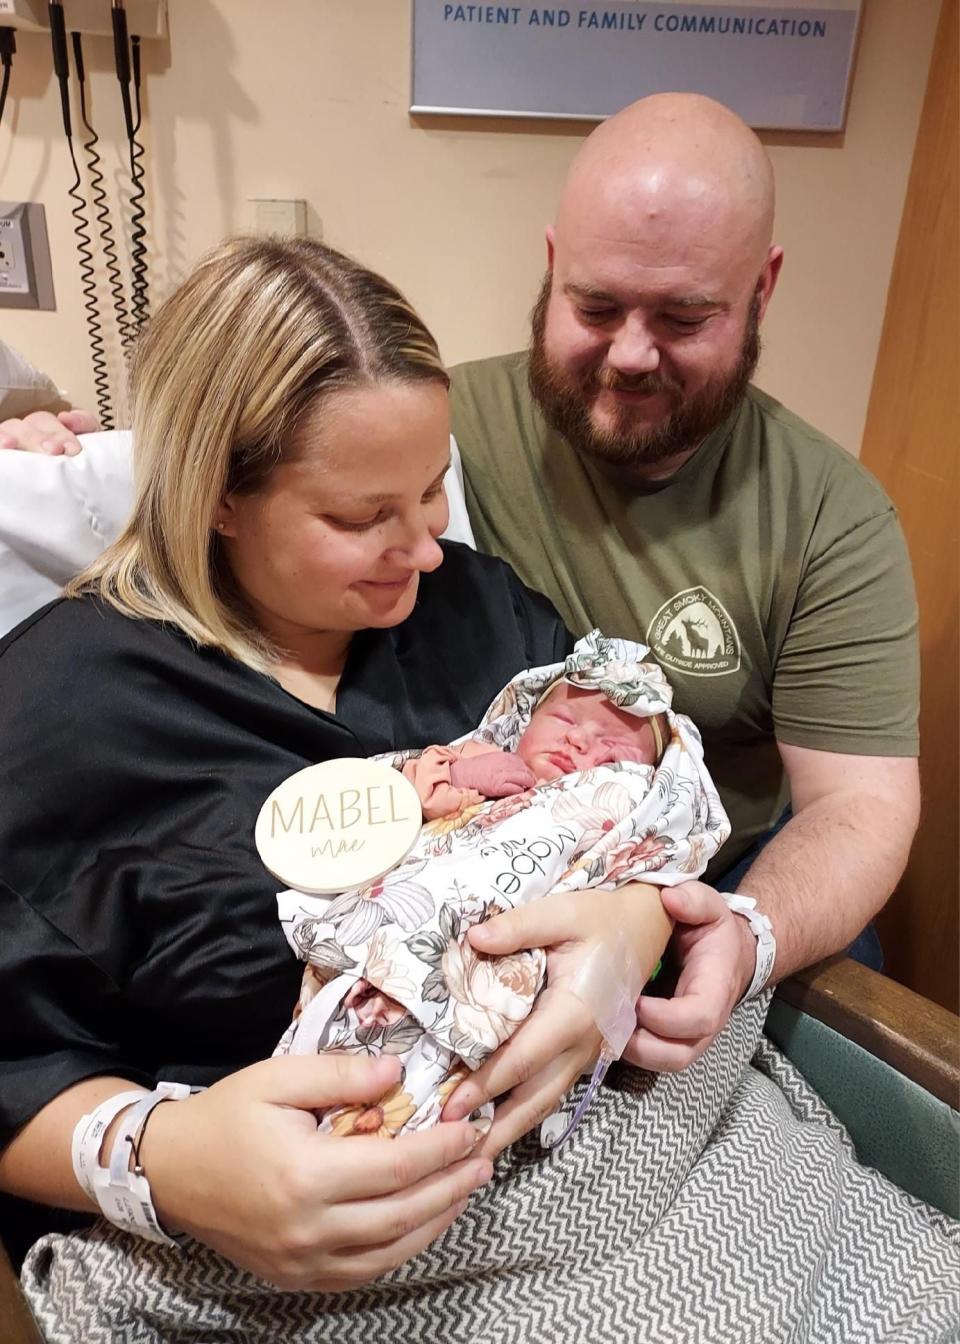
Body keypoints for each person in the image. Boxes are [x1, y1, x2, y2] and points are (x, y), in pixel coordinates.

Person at [0, 239, 954, 1344]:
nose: (424, 548)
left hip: (651, 1132)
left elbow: (646, 804)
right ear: (215, 495)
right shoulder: (56, 720)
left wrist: (632, 920)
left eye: (433, 491)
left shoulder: (483, 622)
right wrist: (156, 1162)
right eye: (364, 518)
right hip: (369, 1233)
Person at [0, 95, 920, 1084]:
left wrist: (675, 919)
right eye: (597, 306)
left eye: (438, 491)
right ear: (553, 266)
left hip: (676, 899)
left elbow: (856, 806)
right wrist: (39, 436)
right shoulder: (76, 698)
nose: (632, 354)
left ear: (762, 290)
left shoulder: (799, 523)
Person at [277, 634, 726, 1142]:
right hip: (385, 935)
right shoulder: (482, 760)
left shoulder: (623, 804)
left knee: (421, 1102)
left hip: (489, 973)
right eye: (564, 722)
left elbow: (652, 859)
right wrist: (460, 775)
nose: (581, 744)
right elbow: (388, 796)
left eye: (614, 750)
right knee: (312, 1050)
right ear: (522, 721)